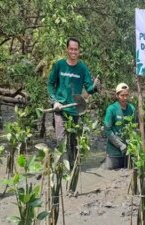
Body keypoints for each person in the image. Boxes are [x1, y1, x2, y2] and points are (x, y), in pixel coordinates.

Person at [47, 37, 101, 169]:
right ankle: (63, 169)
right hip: (60, 108)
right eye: (71, 49)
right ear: (67, 49)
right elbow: (50, 84)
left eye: (76, 49)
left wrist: (95, 87)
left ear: (79, 51)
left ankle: (73, 167)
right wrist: (54, 101)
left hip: (75, 110)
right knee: (61, 139)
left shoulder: (82, 68)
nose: (73, 51)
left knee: (73, 141)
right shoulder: (59, 65)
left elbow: (88, 87)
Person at [102, 83, 137, 169]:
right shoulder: (111, 109)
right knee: (109, 169)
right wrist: (120, 145)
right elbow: (107, 130)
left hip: (128, 149)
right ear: (117, 96)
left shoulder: (132, 108)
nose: (125, 98)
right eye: (122, 95)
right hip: (114, 151)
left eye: (126, 95)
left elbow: (134, 128)